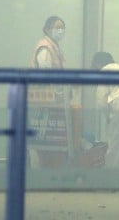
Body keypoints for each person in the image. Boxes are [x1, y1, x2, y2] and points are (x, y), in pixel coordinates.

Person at [29, 16, 81, 167]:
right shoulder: (45, 47)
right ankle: (36, 168)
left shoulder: (54, 46)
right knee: (38, 136)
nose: (61, 30)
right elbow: (47, 74)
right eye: (57, 27)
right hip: (43, 97)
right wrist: (60, 90)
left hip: (51, 98)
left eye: (62, 27)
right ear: (47, 29)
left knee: (46, 136)